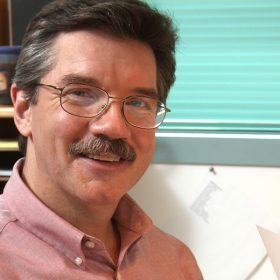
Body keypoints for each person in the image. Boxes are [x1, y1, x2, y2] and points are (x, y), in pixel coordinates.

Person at [0, 0, 203, 279]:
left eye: (138, 103)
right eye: (81, 93)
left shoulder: (175, 263)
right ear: (24, 110)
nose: (114, 127)